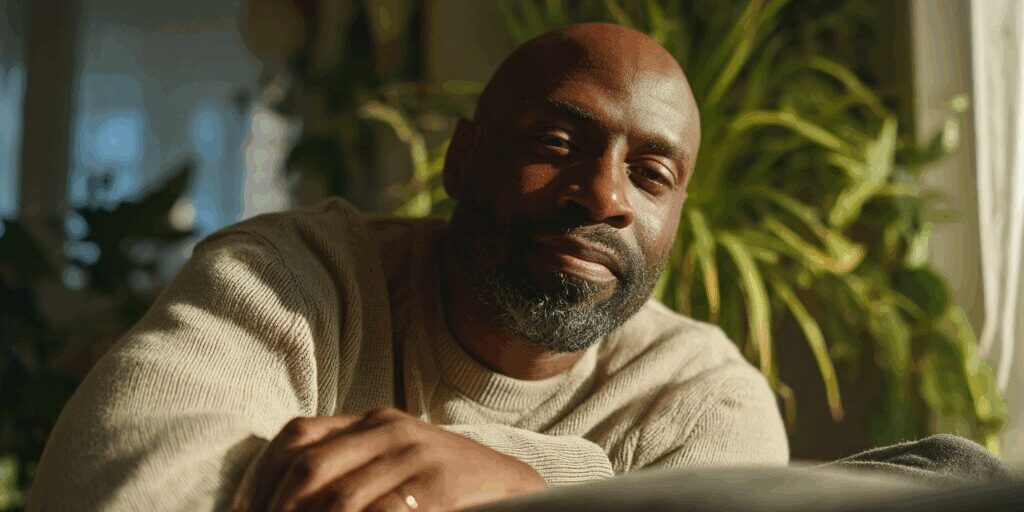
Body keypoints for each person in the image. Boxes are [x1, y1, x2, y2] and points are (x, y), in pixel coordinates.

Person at [28, 23, 787, 511]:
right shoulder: (292, 280)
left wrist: (528, 487)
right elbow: (115, 489)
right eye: (556, 143)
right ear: (462, 160)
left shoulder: (702, 397)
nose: (604, 194)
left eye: (652, 174)